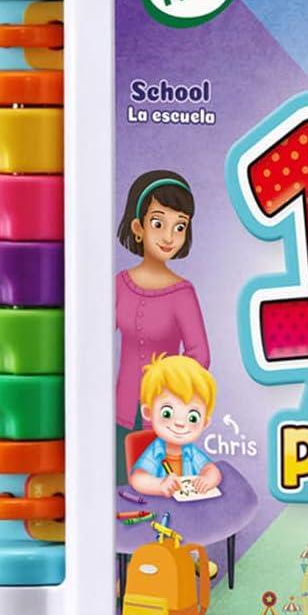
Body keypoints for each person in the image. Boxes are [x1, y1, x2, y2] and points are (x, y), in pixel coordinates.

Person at [115, 171, 209, 447]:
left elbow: (200, 354)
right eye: (158, 223)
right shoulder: (119, 285)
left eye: (179, 227)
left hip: (166, 416)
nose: (169, 236)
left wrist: (172, 390)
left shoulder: (182, 293)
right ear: (138, 227)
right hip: (119, 408)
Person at [129, 353, 222, 497]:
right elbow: (137, 479)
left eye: (192, 417)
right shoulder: (156, 451)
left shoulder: (190, 451)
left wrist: (207, 480)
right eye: (167, 413)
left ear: (204, 423)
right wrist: (159, 486)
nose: (179, 423)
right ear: (148, 412)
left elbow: (212, 470)